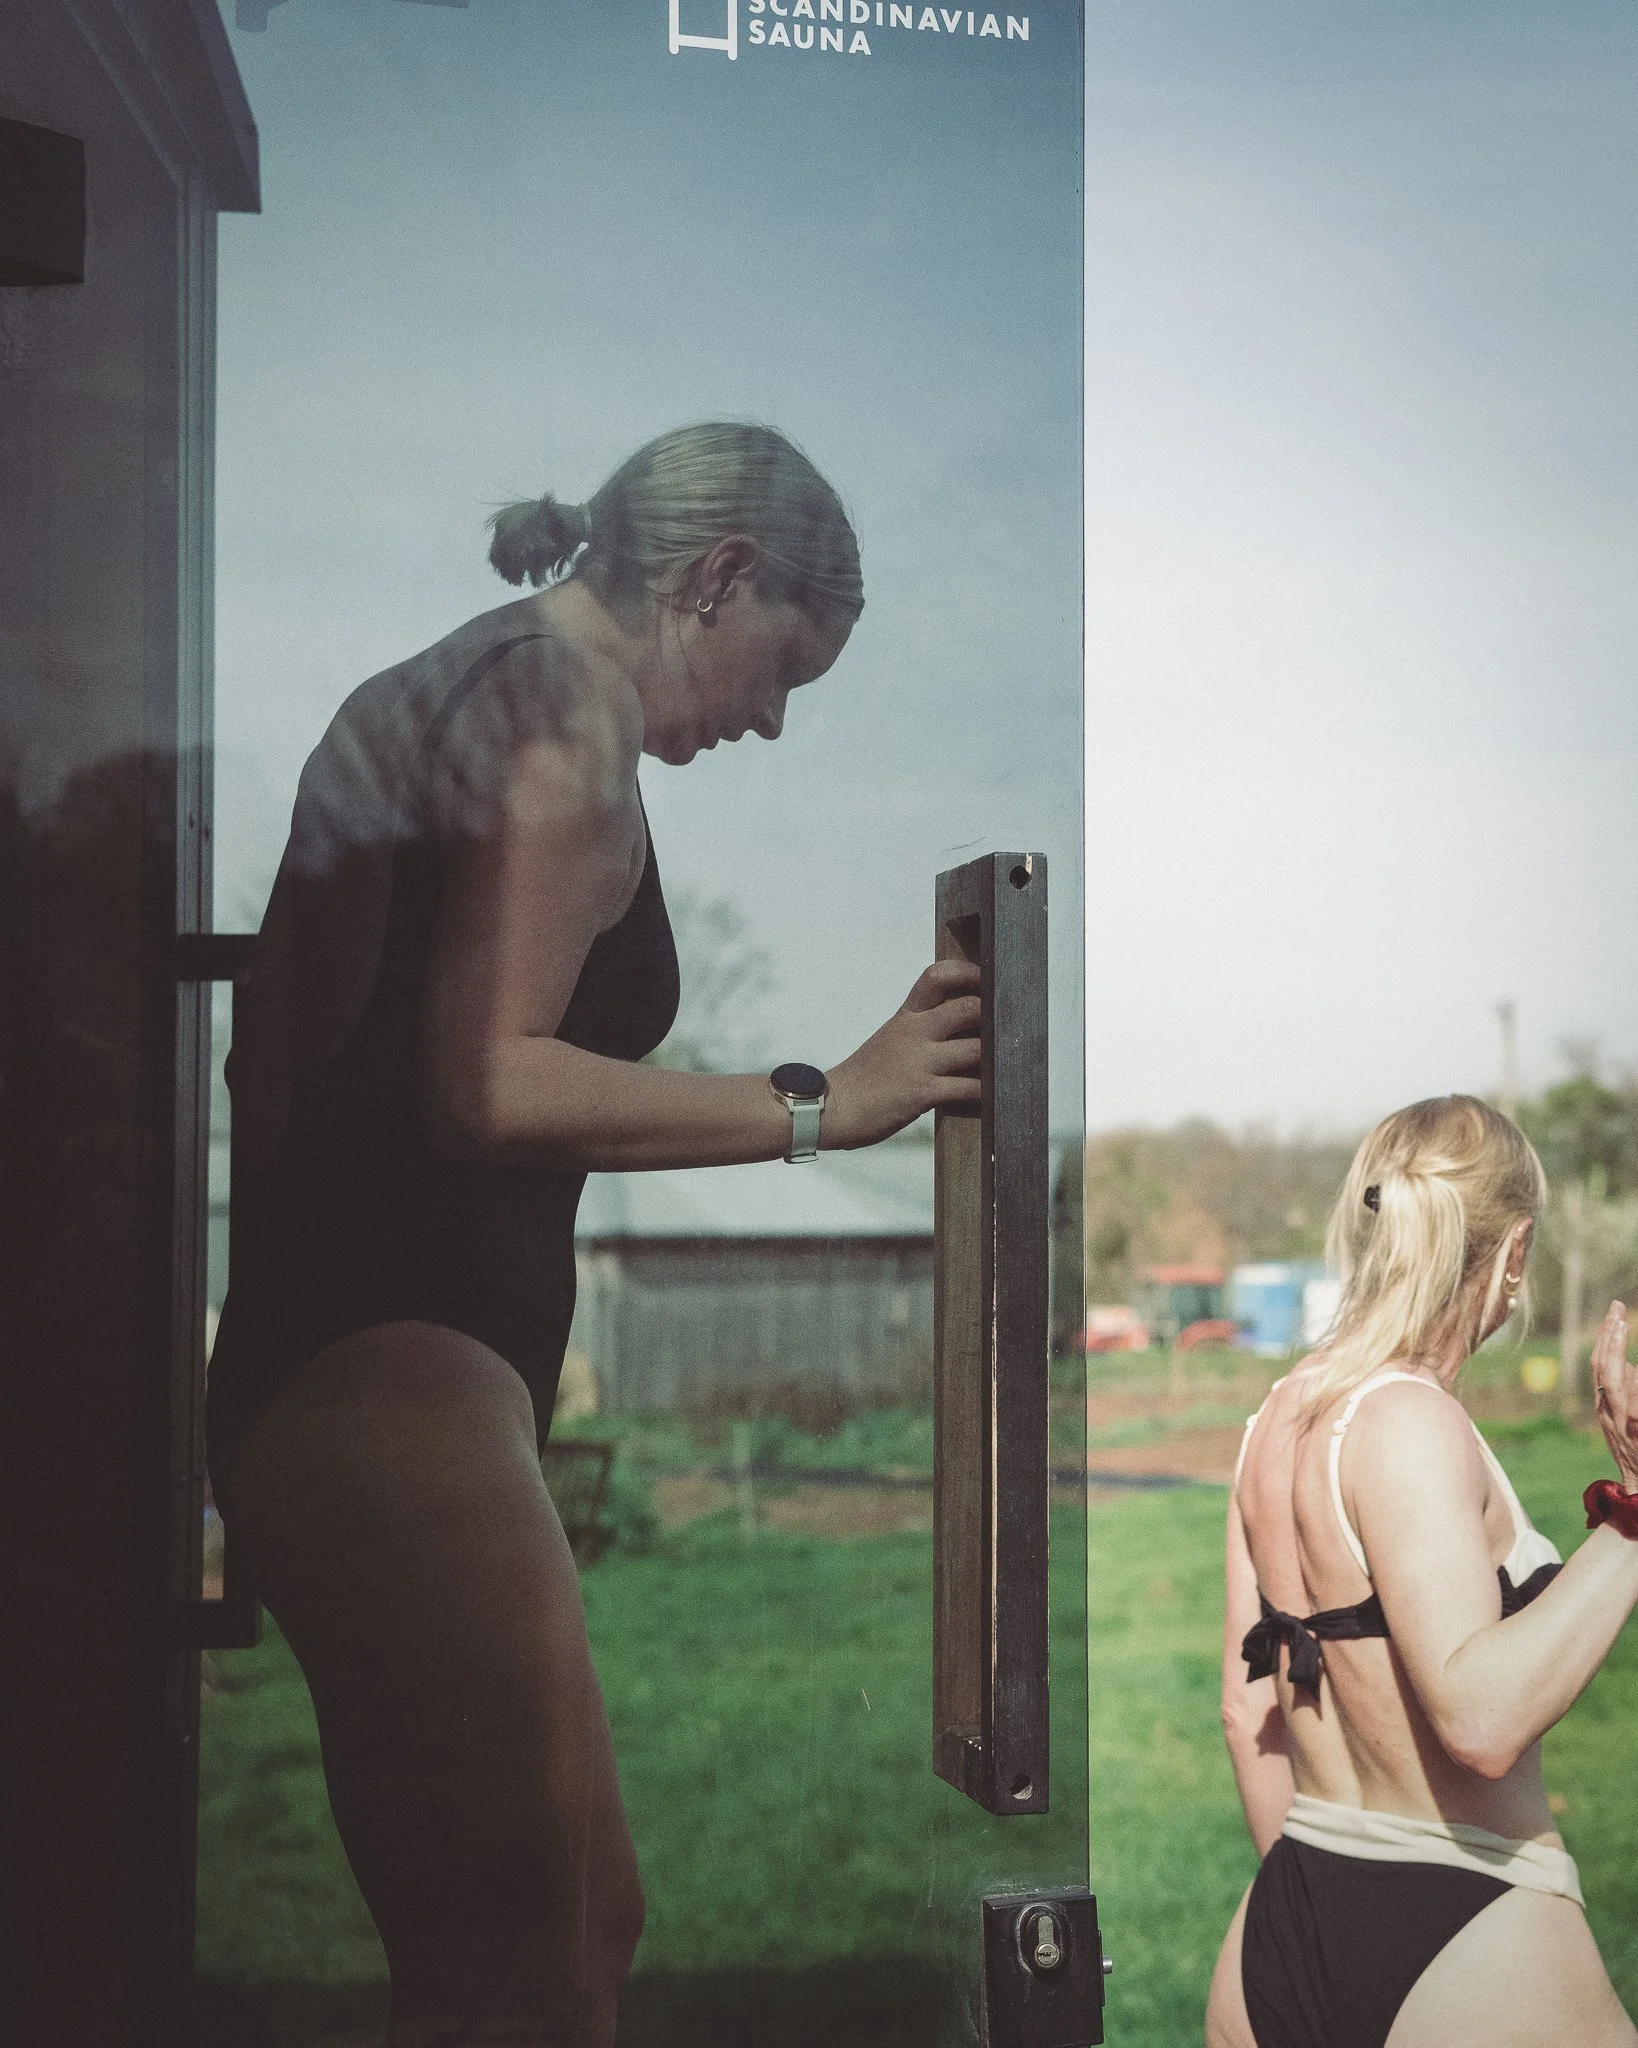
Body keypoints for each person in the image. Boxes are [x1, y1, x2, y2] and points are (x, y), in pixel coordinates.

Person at [205, 422, 982, 2048]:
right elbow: (487, 1080)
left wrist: (298, 1364)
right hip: (397, 1385)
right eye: (783, 668)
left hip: (331, 1382)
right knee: (537, 1960)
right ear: (718, 576)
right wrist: (823, 1102)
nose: (768, 719)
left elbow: (260, 1067)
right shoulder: (561, 708)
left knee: (536, 1938)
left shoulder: (431, 688)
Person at [1206, 1094, 1638, 2048]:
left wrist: (1329, 1918)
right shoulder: (1408, 1418)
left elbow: (1246, 1711)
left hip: (1281, 1932)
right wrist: (1632, 1516)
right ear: (1515, 1249)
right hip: (1471, 1931)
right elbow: (1481, 1722)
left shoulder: (1274, 1420)